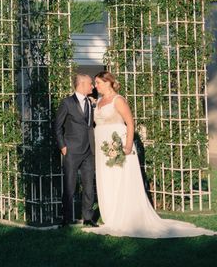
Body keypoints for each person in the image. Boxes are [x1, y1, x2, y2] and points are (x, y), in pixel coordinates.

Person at [83, 70, 216, 237]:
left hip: (119, 145)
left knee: (120, 180)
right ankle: (110, 215)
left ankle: (125, 215)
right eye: (95, 84)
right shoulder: (100, 101)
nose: (96, 86)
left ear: (108, 82)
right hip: (103, 147)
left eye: (98, 83)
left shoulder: (119, 100)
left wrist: (128, 145)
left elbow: (130, 123)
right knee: (107, 180)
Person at [54, 73, 97, 227]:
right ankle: (66, 218)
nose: (92, 86)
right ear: (82, 84)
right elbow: (57, 126)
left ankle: (88, 218)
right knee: (70, 186)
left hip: (89, 151)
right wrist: (63, 147)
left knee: (88, 186)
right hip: (71, 151)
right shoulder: (66, 103)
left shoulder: (91, 102)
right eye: (90, 84)